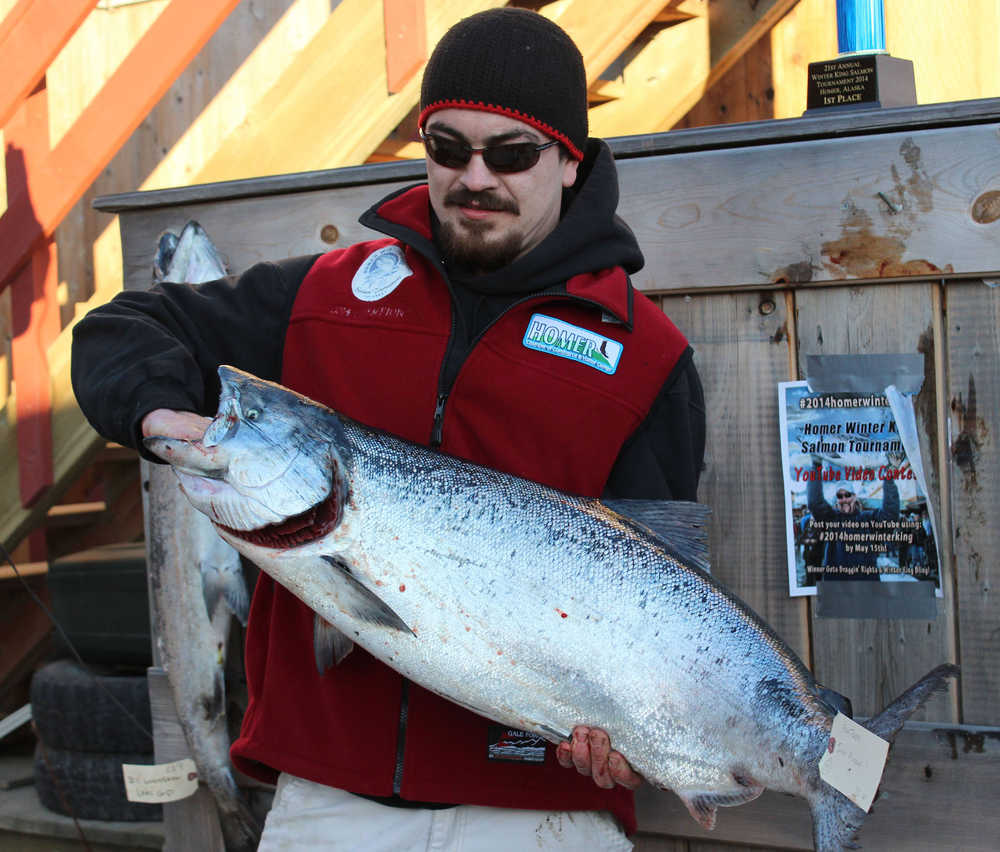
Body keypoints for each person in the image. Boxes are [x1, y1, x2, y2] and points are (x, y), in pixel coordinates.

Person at [71, 8, 705, 849]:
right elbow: (116, 333)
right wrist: (161, 418)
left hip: (540, 818)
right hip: (329, 805)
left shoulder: (647, 359)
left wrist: (631, 730)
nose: (475, 177)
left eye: (510, 154)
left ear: (569, 161)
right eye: (448, 148)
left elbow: (662, 593)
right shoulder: (325, 295)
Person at [805, 457, 899, 581]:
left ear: (854, 497)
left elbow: (890, 515)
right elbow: (814, 503)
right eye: (840, 496)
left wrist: (889, 479)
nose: (844, 499)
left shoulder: (867, 518)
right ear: (837, 500)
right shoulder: (831, 519)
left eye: (847, 495)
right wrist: (816, 466)